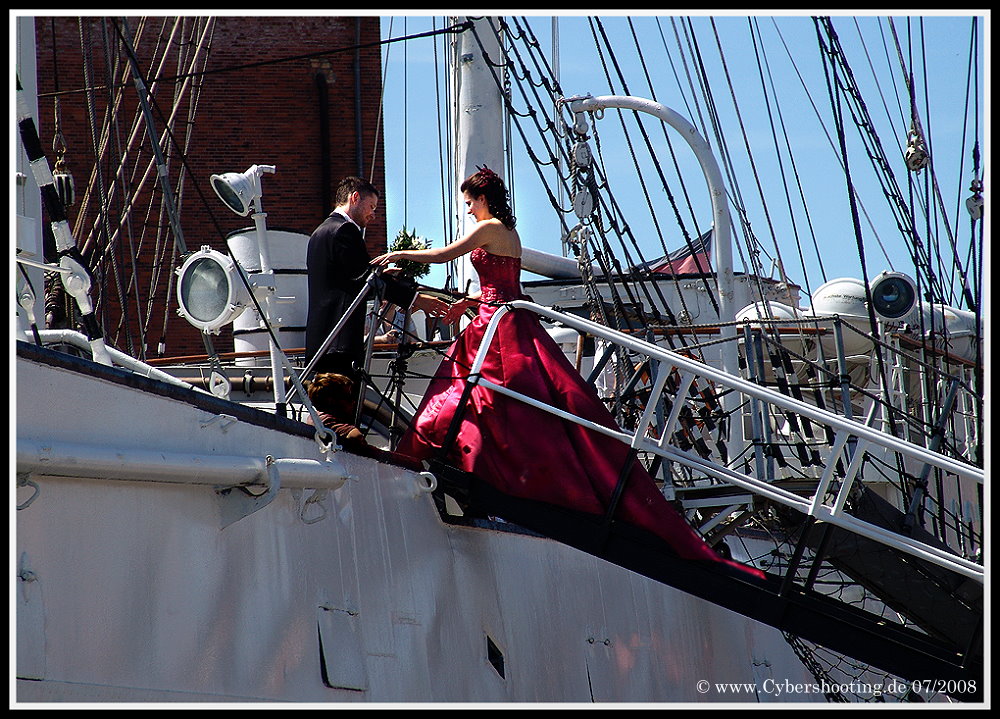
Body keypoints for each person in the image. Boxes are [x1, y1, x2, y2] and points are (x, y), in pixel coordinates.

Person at [371, 166, 752, 570]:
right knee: (506, 393)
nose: (467, 210)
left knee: (480, 392)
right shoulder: (508, 232)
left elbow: (443, 255)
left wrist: (399, 255)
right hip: (500, 313)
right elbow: (498, 284)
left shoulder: (490, 228)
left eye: (469, 203)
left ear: (483, 199)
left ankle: (485, 461)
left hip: (497, 320)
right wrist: (469, 303)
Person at [305, 176, 448, 389]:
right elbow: (366, 280)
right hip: (340, 341)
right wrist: (415, 298)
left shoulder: (320, 232)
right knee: (342, 406)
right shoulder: (346, 230)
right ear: (355, 198)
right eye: (371, 206)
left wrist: (380, 274)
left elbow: (349, 277)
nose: (373, 214)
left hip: (322, 340)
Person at [305, 371, 422, 471]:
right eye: (349, 397)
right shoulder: (326, 420)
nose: (353, 402)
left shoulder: (315, 417)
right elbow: (355, 436)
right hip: (361, 468)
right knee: (414, 466)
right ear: (331, 401)